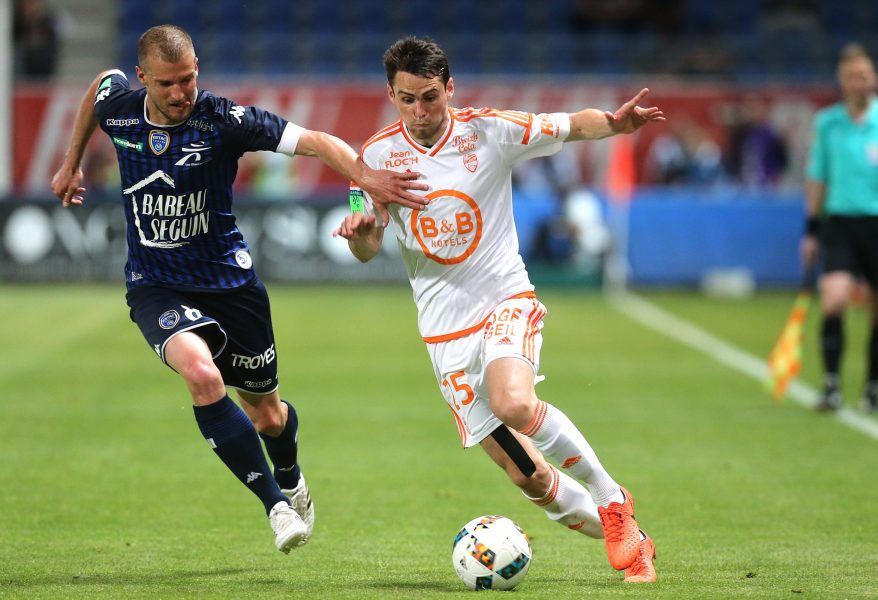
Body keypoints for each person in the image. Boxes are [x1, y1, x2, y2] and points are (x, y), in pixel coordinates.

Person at [50, 25, 428, 553]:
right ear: (143, 79)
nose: (182, 93)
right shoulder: (121, 108)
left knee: (269, 416)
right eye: (168, 85)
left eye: (189, 79)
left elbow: (315, 142)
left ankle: (291, 475)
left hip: (231, 287)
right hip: (155, 285)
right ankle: (276, 506)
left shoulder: (223, 119)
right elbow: (99, 87)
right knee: (203, 377)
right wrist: (69, 163)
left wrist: (365, 178)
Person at [334, 37, 664, 583]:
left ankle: (612, 501)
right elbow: (364, 246)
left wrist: (615, 123)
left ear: (450, 89)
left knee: (514, 401)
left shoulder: (487, 130)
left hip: (504, 300)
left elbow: (569, 124)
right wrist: (362, 232)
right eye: (406, 99)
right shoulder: (371, 159)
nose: (419, 112)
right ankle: (635, 543)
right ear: (391, 94)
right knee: (529, 476)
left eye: (430, 97)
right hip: (444, 335)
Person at [802, 42, 878, 414]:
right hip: (841, 224)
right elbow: (818, 178)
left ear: (873, 79)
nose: (858, 82)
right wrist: (811, 230)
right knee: (834, 299)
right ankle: (831, 385)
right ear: (842, 81)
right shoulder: (827, 123)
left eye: (864, 75)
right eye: (851, 76)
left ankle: (872, 386)